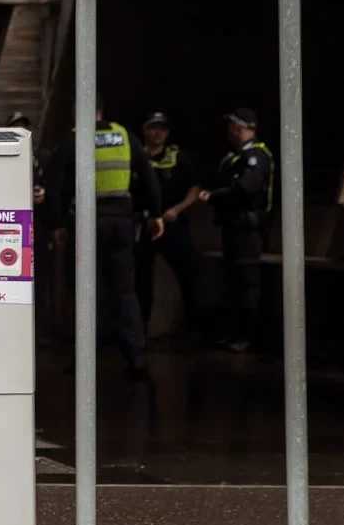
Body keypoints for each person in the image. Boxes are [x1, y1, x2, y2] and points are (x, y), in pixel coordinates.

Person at [50, 107, 163, 377]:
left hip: (87, 223)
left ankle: (84, 359)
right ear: (101, 111)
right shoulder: (124, 136)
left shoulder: (73, 139)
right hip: (121, 222)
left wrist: (57, 224)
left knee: (84, 291)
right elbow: (148, 176)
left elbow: (55, 185)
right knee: (124, 291)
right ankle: (135, 357)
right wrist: (156, 213)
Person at [199, 108, 273, 353]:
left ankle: (249, 335)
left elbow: (244, 188)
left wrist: (213, 197)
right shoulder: (236, 156)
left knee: (247, 282)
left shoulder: (256, 156)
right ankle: (235, 331)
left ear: (240, 127)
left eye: (233, 125)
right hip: (233, 226)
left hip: (247, 229)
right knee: (234, 281)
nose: (230, 130)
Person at [135, 112, 203, 340]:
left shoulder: (178, 158)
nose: (158, 133)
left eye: (162, 129)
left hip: (172, 223)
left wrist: (177, 209)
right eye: (153, 127)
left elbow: (194, 188)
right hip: (144, 225)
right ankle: (139, 332)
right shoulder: (137, 156)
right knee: (141, 280)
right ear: (145, 130)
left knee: (190, 274)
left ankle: (195, 329)